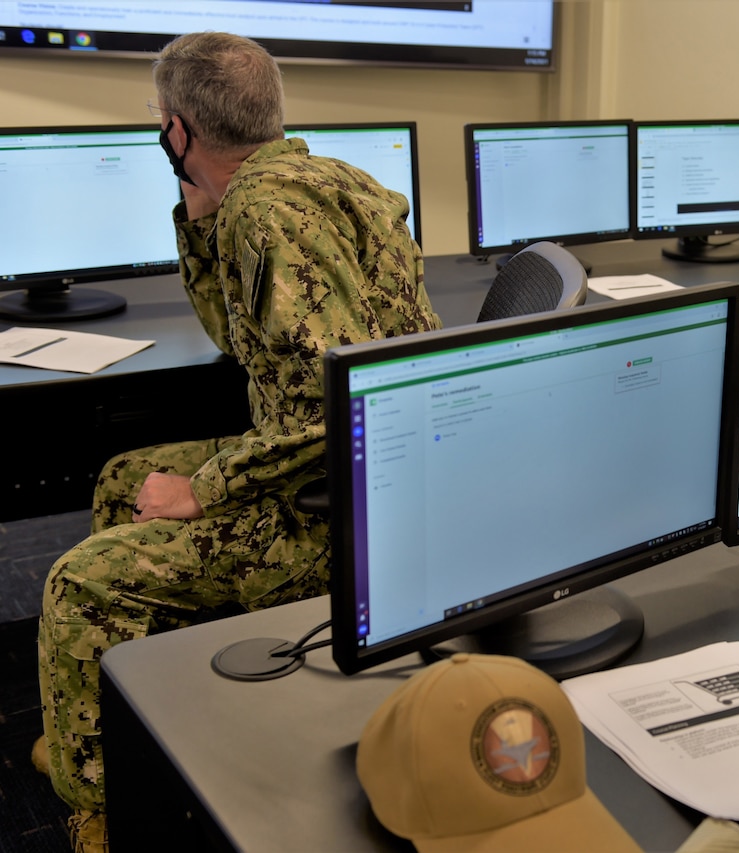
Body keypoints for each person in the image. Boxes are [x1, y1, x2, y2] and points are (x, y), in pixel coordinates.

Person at [36, 31, 442, 851]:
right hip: (391, 476)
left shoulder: (265, 211)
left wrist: (206, 490)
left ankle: (107, 805)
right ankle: (136, 712)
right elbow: (241, 336)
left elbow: (332, 407)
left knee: (76, 583)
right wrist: (198, 216)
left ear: (177, 131)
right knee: (125, 476)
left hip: (342, 506)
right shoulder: (323, 177)